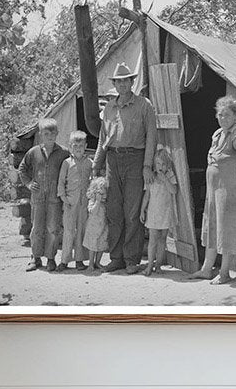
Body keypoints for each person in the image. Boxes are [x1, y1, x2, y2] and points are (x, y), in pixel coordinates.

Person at [91, 61, 157, 274]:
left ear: (132, 82)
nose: (122, 85)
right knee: (114, 211)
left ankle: (131, 260)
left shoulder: (144, 105)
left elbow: (152, 138)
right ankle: (116, 257)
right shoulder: (109, 107)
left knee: (132, 212)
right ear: (115, 84)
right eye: (118, 82)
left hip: (135, 159)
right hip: (112, 161)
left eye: (125, 81)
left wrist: (147, 165)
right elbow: (103, 138)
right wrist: (96, 166)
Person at [192, 95, 236, 285]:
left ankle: (225, 272)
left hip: (230, 192)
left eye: (227, 115)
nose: (223, 118)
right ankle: (206, 269)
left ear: (235, 116)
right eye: (220, 115)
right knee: (212, 226)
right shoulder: (218, 134)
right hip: (215, 192)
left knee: (226, 229)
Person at [18, 118, 68, 272]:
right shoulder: (34, 152)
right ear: (40, 135)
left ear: (57, 133)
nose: (50, 136)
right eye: (46, 134)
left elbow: (69, 171)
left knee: (53, 228)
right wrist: (27, 183)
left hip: (55, 198)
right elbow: (22, 168)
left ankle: (51, 258)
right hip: (38, 197)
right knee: (37, 228)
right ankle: (35, 257)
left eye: (53, 133)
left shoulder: (63, 153)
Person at [57, 130, 93, 270]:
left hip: (84, 203)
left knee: (81, 231)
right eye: (75, 146)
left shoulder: (89, 163)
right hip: (70, 203)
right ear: (70, 146)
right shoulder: (67, 163)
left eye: (81, 146)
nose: (78, 149)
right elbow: (61, 182)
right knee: (69, 231)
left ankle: (79, 260)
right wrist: (64, 198)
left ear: (85, 146)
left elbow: (93, 180)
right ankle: (64, 260)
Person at [140, 145, 177, 276]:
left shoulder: (170, 175)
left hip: (166, 212)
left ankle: (158, 265)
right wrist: (142, 210)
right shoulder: (151, 177)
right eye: (157, 163)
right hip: (153, 212)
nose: (160, 166)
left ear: (167, 165)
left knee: (162, 239)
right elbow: (147, 195)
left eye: (163, 164)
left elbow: (174, 190)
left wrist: (166, 179)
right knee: (152, 239)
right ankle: (150, 264)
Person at [83, 175, 109, 273]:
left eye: (105, 191)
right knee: (92, 246)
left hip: (103, 227)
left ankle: (97, 262)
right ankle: (90, 264)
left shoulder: (105, 203)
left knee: (102, 245)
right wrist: (97, 201)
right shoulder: (92, 201)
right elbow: (92, 212)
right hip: (93, 228)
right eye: (101, 192)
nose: (104, 194)